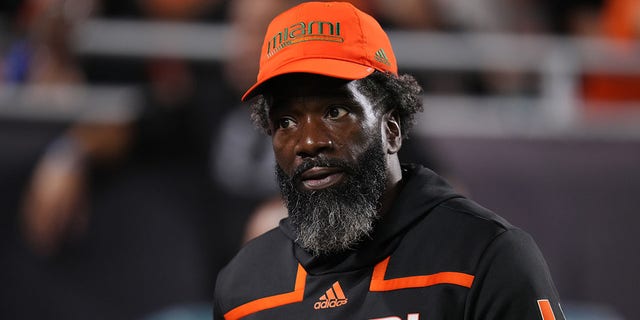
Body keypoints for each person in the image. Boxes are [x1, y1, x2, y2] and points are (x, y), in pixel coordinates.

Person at [213, 2, 565, 319]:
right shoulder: (244, 287)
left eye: (335, 112)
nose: (308, 142)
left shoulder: (484, 256)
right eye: (286, 122)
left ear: (392, 128)